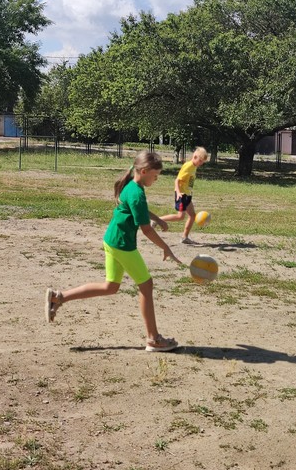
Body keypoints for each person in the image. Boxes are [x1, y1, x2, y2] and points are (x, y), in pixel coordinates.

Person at [45, 150, 182, 352]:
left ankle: (59, 297)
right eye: (155, 175)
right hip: (122, 245)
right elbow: (146, 229)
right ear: (144, 171)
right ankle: (153, 339)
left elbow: (138, 210)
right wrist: (166, 247)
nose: (156, 179)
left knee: (110, 287)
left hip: (112, 240)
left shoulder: (132, 186)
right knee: (146, 285)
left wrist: (158, 219)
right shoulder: (136, 193)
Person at [155, 146, 209, 244]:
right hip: (182, 195)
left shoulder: (194, 167)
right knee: (180, 216)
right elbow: (177, 180)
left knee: (192, 216)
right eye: (200, 161)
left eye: (202, 162)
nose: (201, 163)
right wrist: (178, 192)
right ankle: (157, 220)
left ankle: (185, 237)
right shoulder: (188, 166)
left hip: (187, 194)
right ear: (195, 157)